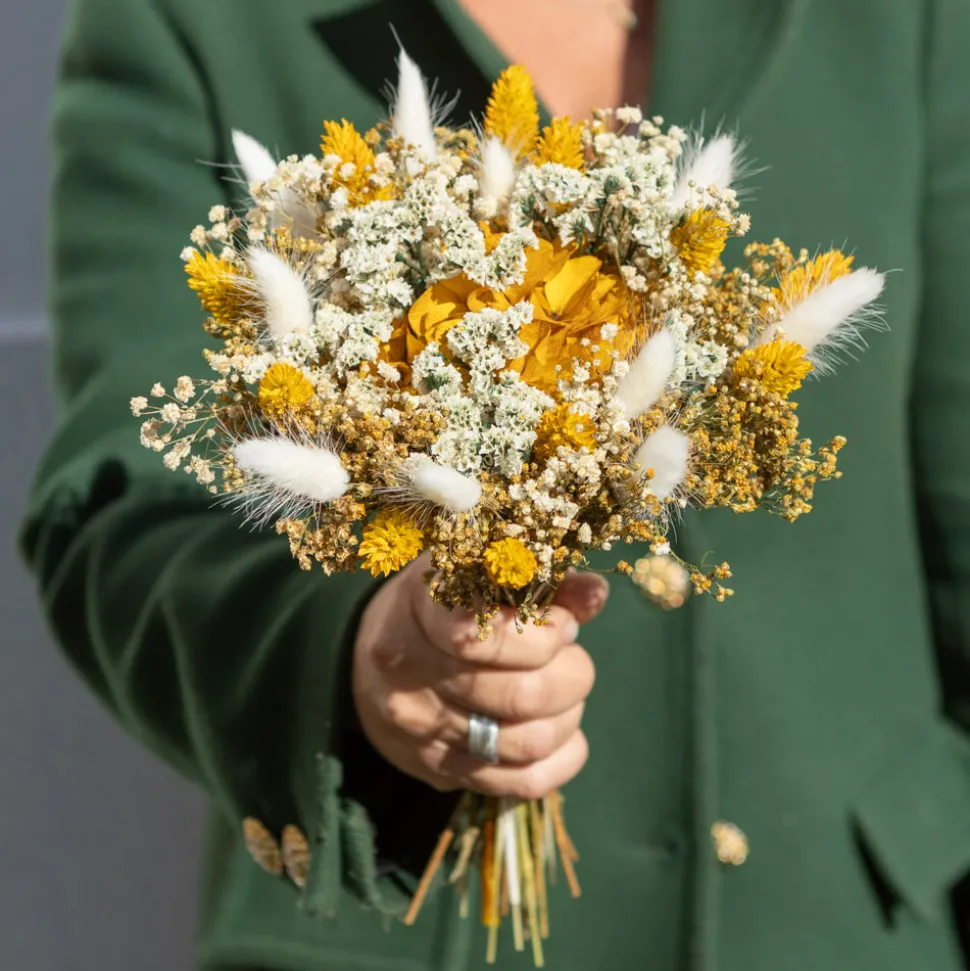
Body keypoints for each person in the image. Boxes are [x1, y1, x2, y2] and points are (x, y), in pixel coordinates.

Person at [22, 0, 970, 968]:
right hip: (404, 932)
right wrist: (359, 660)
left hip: (838, 924)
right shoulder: (193, 18)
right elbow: (123, 509)